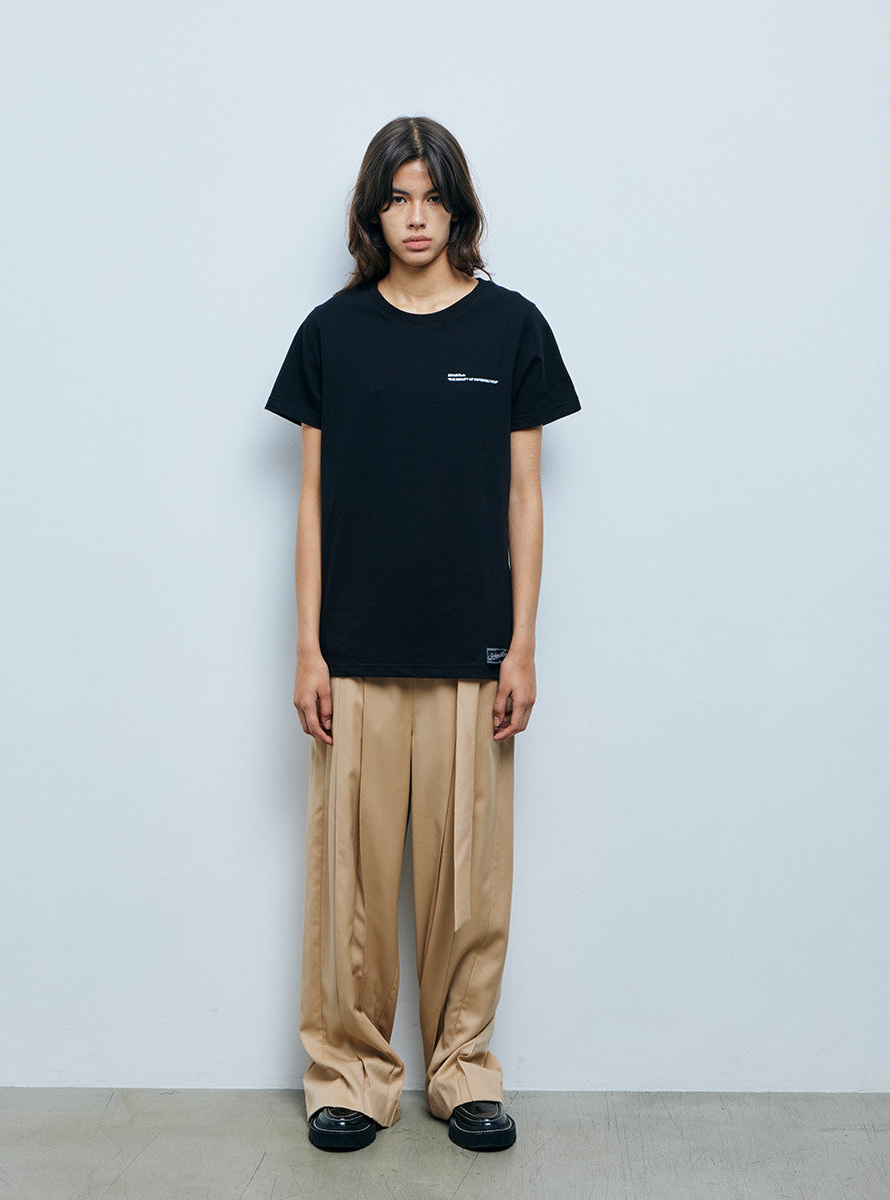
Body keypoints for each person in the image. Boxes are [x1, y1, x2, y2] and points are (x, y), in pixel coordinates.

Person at [265, 115, 580, 1152]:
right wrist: (307, 650)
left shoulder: (512, 328)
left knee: (467, 886)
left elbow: (526, 499)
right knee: (350, 886)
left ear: (458, 210)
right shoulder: (332, 333)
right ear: (374, 212)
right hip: (353, 651)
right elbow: (311, 503)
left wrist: (523, 645)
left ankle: (464, 1071)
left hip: (473, 656)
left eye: (431, 198)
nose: (415, 218)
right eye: (397, 199)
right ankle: (351, 1076)